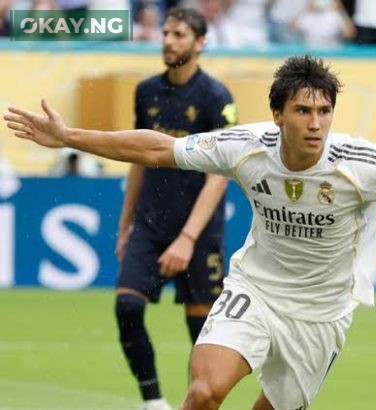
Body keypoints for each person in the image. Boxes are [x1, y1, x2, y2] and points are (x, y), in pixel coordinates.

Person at [3, 55, 376, 410]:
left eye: (324, 111)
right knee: (205, 391)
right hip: (256, 290)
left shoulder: (360, 163)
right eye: (303, 110)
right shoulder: (246, 147)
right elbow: (158, 148)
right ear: (278, 114)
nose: (315, 123)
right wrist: (70, 136)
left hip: (321, 312)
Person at [122, 7, 236, 410]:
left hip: (199, 232)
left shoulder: (216, 98)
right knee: (127, 307)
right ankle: (153, 402)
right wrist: (126, 224)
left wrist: (187, 238)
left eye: (180, 35)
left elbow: (219, 175)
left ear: (200, 42)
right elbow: (138, 158)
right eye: (166, 33)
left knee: (201, 331)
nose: (169, 41)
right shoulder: (146, 91)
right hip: (150, 224)